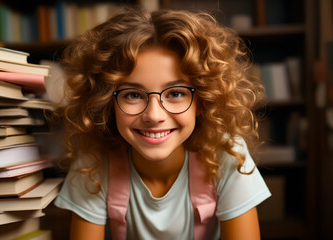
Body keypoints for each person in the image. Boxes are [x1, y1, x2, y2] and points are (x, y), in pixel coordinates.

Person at [54, 7, 271, 240]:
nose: (154, 116)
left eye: (176, 93)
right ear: (107, 102)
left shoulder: (227, 154)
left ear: (203, 100)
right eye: (133, 95)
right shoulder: (93, 162)